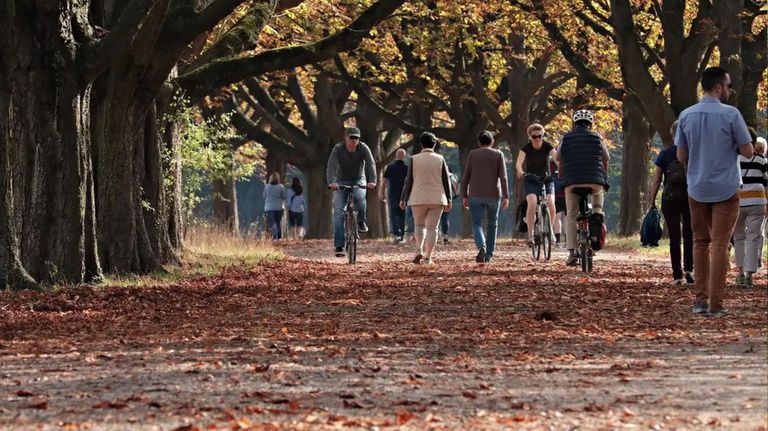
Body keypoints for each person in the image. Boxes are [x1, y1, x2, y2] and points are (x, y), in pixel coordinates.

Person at [676, 66, 753, 316]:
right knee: (720, 244)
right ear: (718, 87)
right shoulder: (732, 115)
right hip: (727, 186)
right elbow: (748, 152)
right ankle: (716, 305)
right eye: (728, 86)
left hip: (696, 187)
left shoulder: (686, 116)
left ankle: (700, 301)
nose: (730, 90)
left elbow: (681, 155)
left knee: (700, 242)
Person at [556, 109, 610, 266]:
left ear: (574, 123)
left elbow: (559, 159)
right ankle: (596, 219)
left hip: (572, 181)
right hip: (595, 181)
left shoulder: (565, 139)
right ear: (590, 124)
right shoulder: (598, 138)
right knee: (598, 205)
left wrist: (561, 177)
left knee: (571, 215)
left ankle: (572, 253)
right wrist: (603, 176)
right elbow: (606, 159)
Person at [648, 120, 694, 286]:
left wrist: (651, 202)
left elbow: (657, 180)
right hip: (690, 197)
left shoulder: (664, 154)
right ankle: (689, 268)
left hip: (670, 198)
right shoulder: (691, 152)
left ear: (673, 135)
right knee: (689, 233)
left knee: (675, 237)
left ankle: (677, 275)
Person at [400, 132, 453, 264]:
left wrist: (403, 198)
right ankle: (428, 257)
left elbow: (409, 181)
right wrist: (449, 199)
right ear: (434, 144)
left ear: (421, 144)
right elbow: (447, 181)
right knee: (432, 228)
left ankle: (419, 249)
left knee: (419, 225)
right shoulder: (440, 159)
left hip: (417, 197)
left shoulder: (414, 159)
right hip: (437, 198)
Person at [327, 126, 377, 257]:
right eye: (352, 137)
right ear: (346, 138)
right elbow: (331, 164)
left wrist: (372, 181)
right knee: (339, 212)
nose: (354, 140)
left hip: (359, 179)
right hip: (341, 180)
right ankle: (339, 246)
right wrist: (331, 182)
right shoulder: (338, 149)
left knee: (360, 198)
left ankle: (361, 221)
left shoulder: (363, 148)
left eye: (356, 138)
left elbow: (371, 164)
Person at [461, 131, 510, 263]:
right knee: (492, 224)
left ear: (479, 142)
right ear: (492, 141)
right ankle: (489, 254)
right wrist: (506, 196)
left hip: (475, 194)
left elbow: (466, 177)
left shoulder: (473, 154)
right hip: (493, 194)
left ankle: (481, 246)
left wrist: (464, 195)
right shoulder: (498, 154)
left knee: (477, 223)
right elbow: (503, 177)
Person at [733, 129, 767, 289]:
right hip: (757, 201)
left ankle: (740, 272)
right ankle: (749, 275)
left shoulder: (734, 160)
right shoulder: (762, 160)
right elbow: (766, 183)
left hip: (738, 201)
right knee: (753, 237)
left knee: (739, 237)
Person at [516, 123, 557, 248]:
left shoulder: (547, 146)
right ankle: (530, 234)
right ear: (530, 137)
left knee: (550, 202)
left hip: (546, 179)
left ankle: (550, 231)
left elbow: (556, 158)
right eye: (534, 137)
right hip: (531, 179)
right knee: (532, 202)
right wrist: (521, 172)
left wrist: (561, 169)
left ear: (543, 135)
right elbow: (518, 163)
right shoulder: (526, 148)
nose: (538, 139)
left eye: (540, 136)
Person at [380, 148, 408, 243]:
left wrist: (382, 192)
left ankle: (397, 234)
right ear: (404, 156)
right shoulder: (407, 168)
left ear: (396, 156)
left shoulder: (390, 167)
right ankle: (402, 236)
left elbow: (384, 181)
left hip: (393, 194)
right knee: (402, 214)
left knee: (394, 214)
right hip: (404, 194)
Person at [263, 172, 286, 240]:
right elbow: (284, 197)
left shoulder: (266, 187)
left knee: (272, 222)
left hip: (269, 207)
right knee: (278, 222)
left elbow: (264, 196)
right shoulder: (281, 187)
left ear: (270, 178)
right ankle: (279, 237)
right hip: (279, 207)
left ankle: (274, 236)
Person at [550, 159, 566, 247]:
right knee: (569, 217)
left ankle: (558, 240)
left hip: (555, 194)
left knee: (557, 217)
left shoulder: (551, 163)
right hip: (567, 193)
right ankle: (569, 239)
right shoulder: (567, 160)